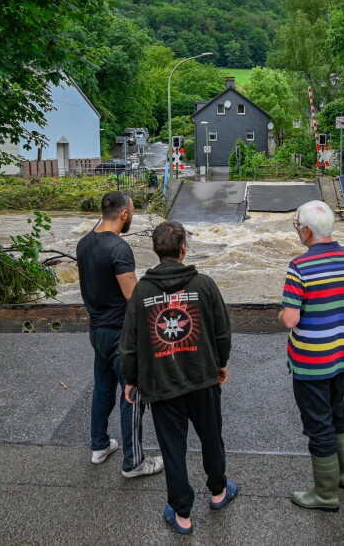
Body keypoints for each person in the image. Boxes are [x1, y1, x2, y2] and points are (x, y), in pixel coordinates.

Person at [121, 220, 238, 535]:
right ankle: (219, 491)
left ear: (155, 250)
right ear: (184, 249)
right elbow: (222, 331)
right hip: (202, 377)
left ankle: (182, 514)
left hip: (161, 384)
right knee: (211, 438)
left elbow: (129, 344)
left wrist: (130, 379)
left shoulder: (142, 291)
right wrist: (221, 364)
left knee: (173, 450)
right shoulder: (205, 285)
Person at [279, 200, 344, 513]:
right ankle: (342, 475)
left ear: (307, 230)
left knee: (318, 423)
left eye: (296, 225)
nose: (296, 230)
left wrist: (283, 313)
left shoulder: (299, 266)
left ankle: (325, 495)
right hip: (341, 354)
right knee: (337, 411)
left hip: (310, 361)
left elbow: (290, 320)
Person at [75, 191, 164, 478]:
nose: (133, 216)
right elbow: (134, 298)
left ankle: (99, 445)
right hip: (120, 334)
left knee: (103, 388)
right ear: (124, 214)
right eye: (133, 212)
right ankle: (134, 462)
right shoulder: (119, 249)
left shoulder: (84, 243)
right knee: (132, 393)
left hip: (97, 330)